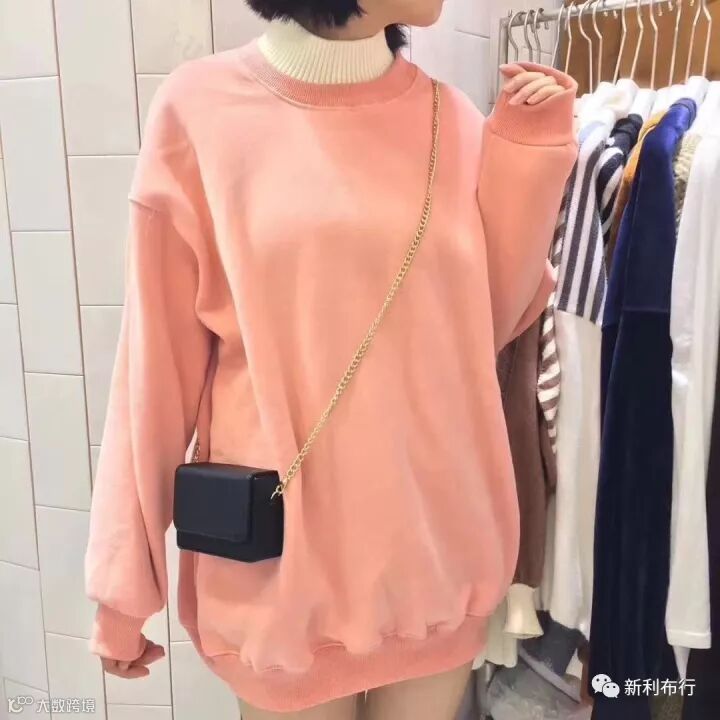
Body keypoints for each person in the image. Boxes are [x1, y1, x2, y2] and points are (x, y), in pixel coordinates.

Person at [83, 1, 578, 718]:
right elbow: (154, 370)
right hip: (282, 585)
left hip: (435, 568)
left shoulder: (454, 120)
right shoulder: (199, 111)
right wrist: (124, 589)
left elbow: (483, 328)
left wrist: (531, 152)